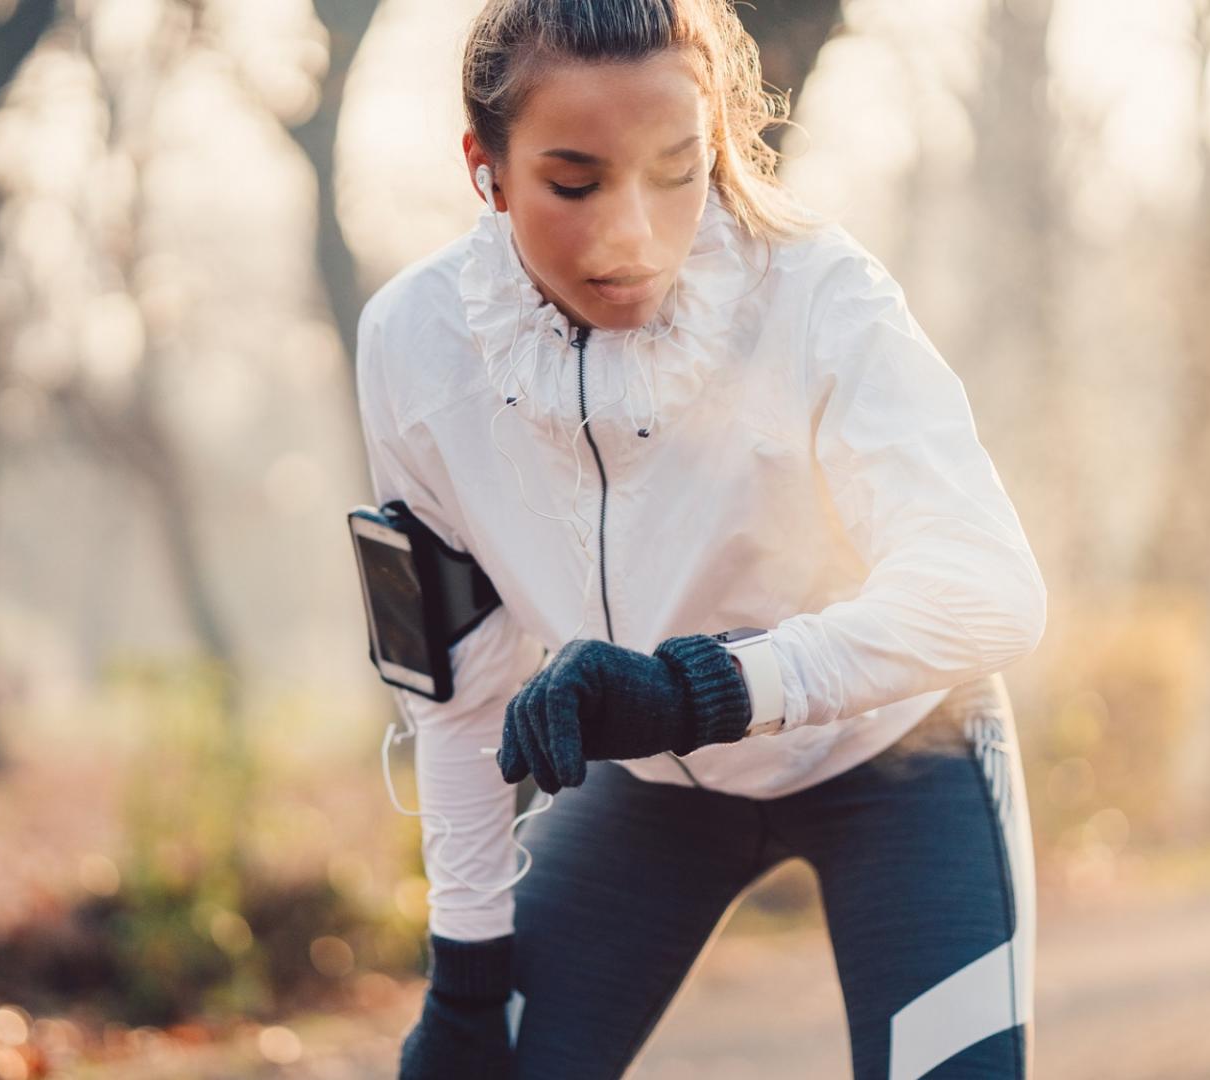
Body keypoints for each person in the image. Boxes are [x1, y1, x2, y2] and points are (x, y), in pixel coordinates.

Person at [354, 1, 1047, 1076]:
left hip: (899, 756)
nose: (631, 233)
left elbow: (990, 588)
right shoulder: (414, 345)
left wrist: (697, 692)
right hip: (656, 791)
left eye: (679, 170)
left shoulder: (821, 293)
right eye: (575, 183)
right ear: (485, 170)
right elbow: (459, 696)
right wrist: (466, 971)